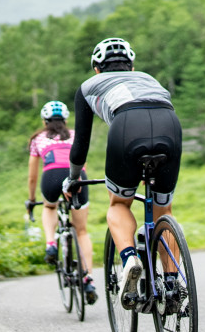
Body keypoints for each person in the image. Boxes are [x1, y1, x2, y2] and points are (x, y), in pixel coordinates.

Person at [67, 37, 182, 309]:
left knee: (119, 203)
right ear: (131, 67)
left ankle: (130, 258)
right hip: (169, 125)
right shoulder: (149, 79)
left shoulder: (87, 86)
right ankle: (173, 284)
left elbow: (80, 144)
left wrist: (73, 177)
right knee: (163, 211)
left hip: (127, 126)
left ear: (97, 68)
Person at [26, 100, 97, 304]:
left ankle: (50, 244)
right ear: (65, 119)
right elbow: (82, 163)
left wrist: (32, 199)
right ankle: (88, 279)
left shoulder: (38, 138)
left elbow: (32, 176)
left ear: (44, 120)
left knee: (49, 206)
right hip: (77, 177)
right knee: (81, 230)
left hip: (51, 177)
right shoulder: (74, 135)